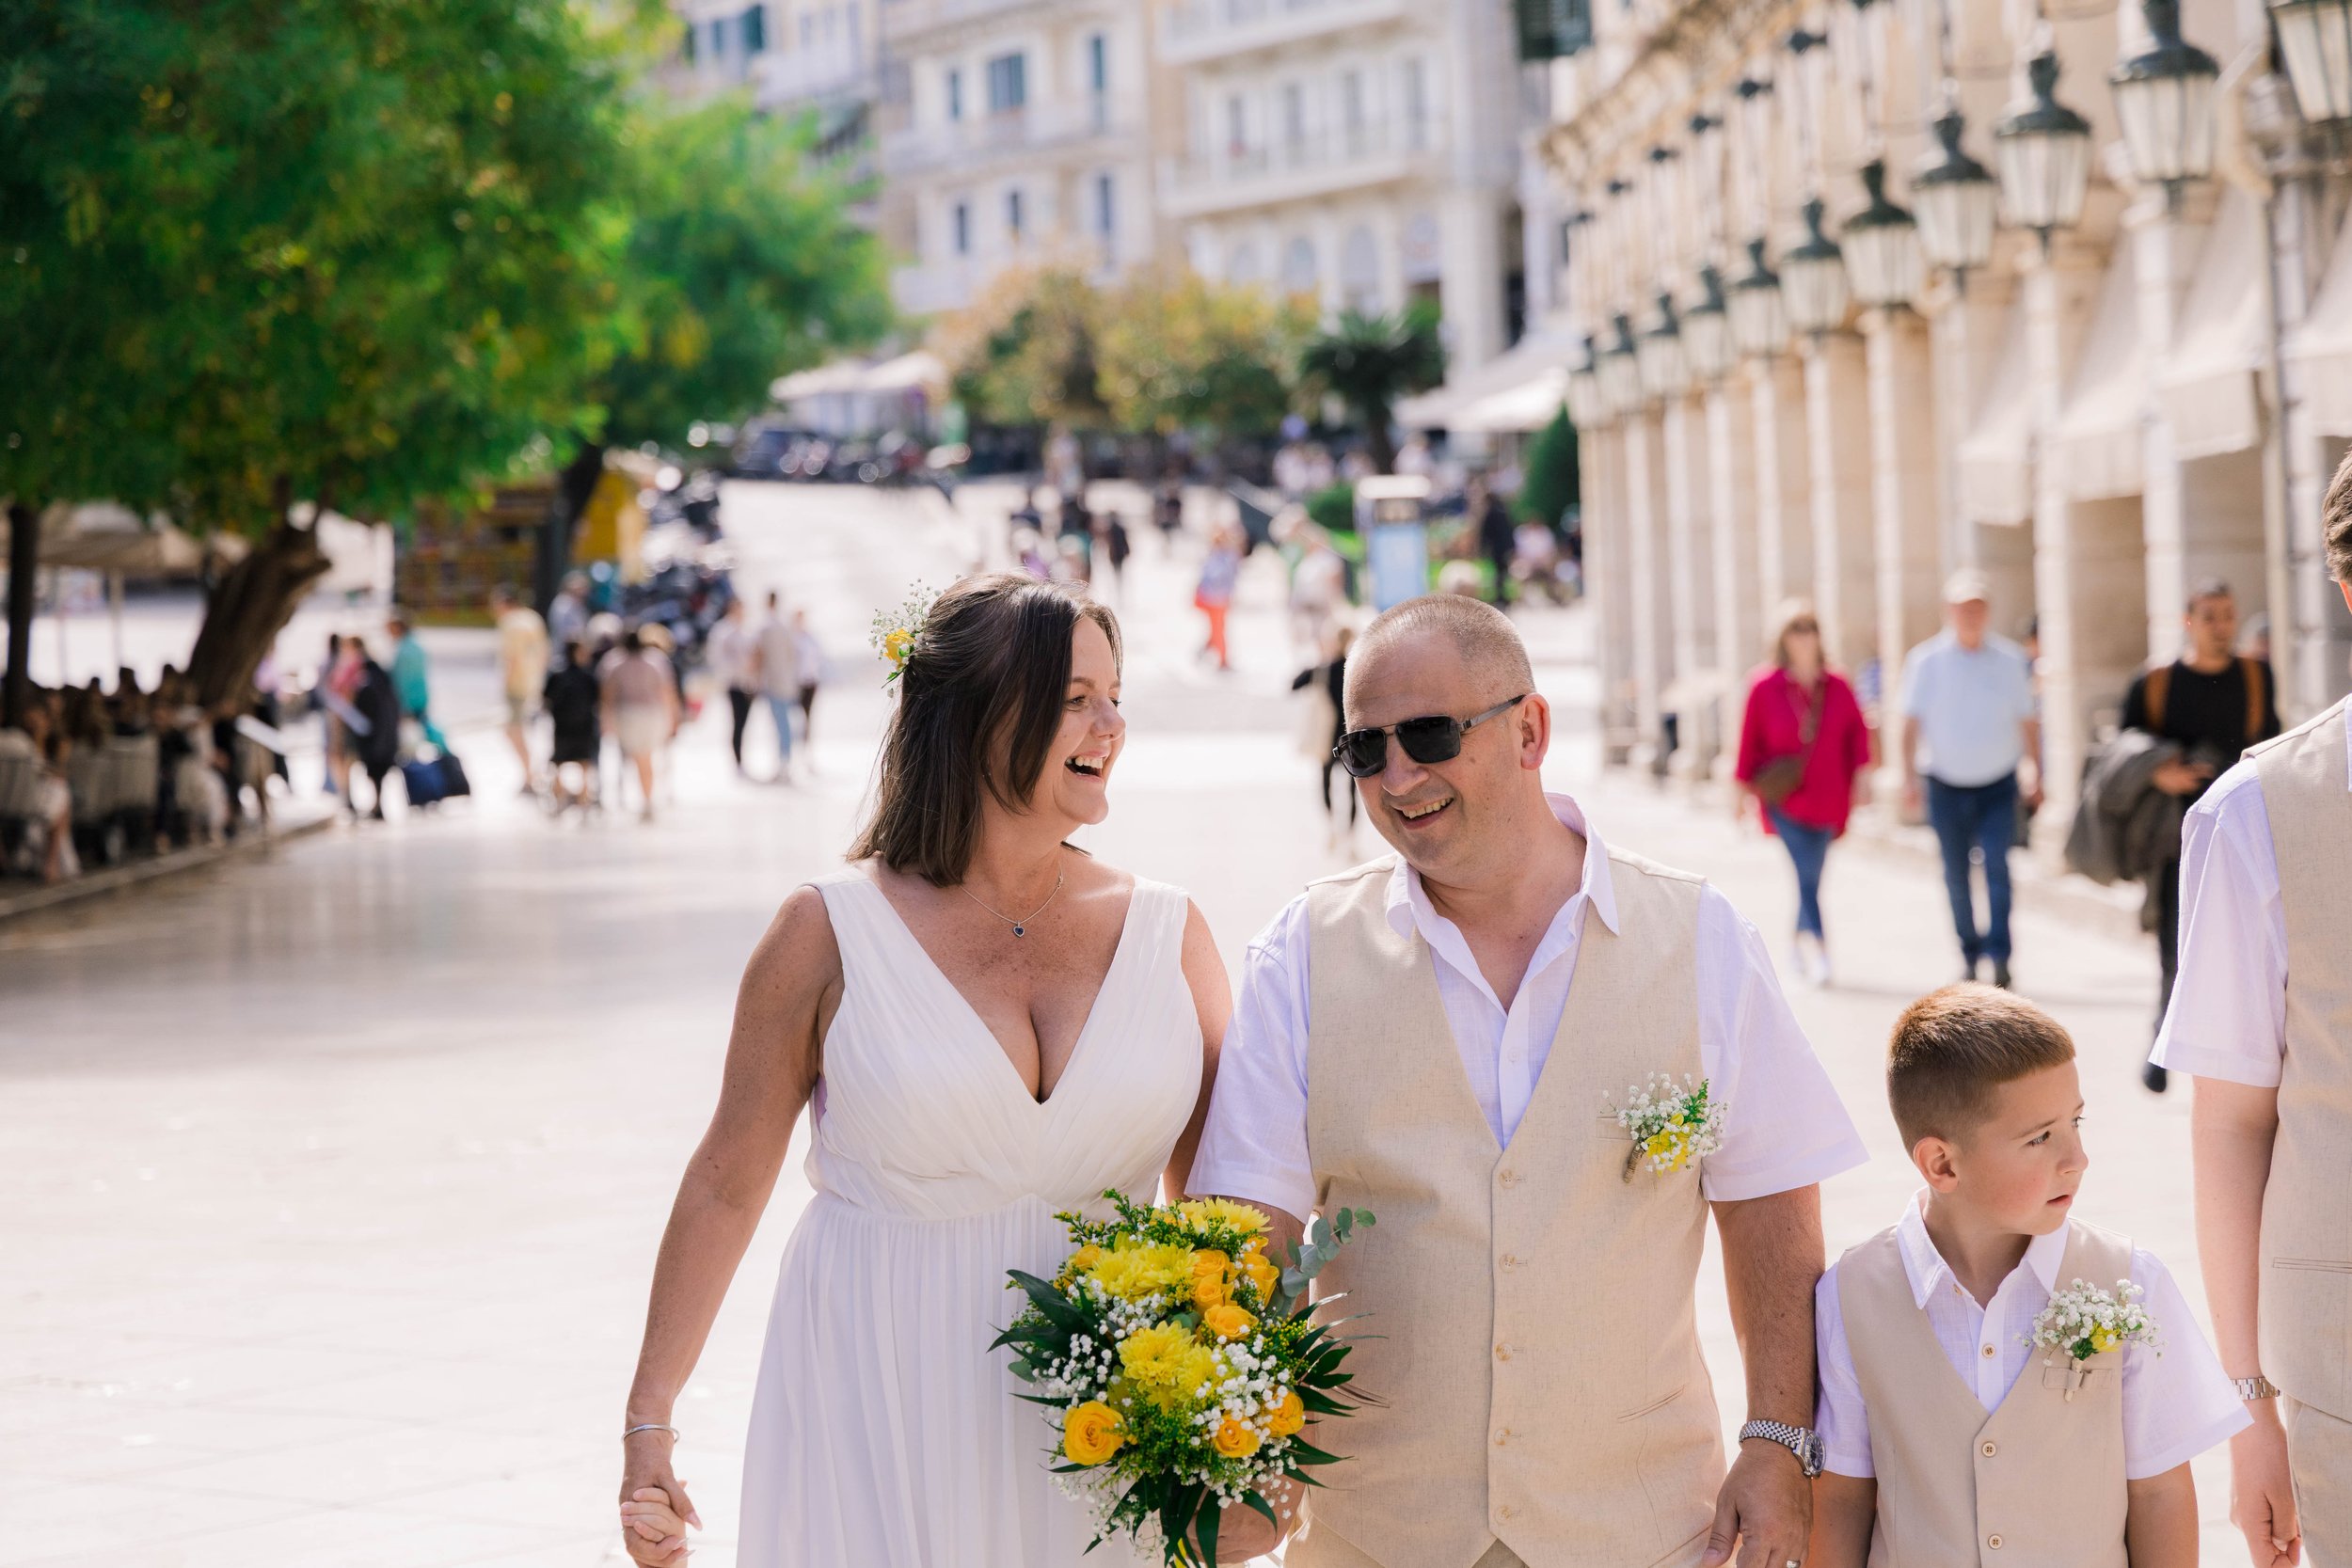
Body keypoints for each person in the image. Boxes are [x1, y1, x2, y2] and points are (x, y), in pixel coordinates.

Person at [1189, 594, 1866, 1567]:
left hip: (1641, 1530)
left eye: (1427, 733)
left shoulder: (1698, 935)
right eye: (1365, 750)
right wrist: (1235, 1434)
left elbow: (1770, 1205)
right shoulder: (1299, 952)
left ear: (1530, 729)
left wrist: (1778, 1434)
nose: (1398, 774)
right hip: (1376, 1534)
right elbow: (1251, 1226)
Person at [615, 576, 1231, 1568]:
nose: (1112, 723)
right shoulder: (825, 932)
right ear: (977, 717)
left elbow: (1215, 1201)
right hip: (879, 1395)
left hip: (1109, 1419)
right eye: (1075, 697)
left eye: (1114, 694)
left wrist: (1234, 1426)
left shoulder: (1170, 930)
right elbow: (727, 1181)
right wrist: (650, 1422)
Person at [1805, 986, 2247, 1568]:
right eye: (2039, 1138)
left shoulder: (2129, 1283)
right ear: (1942, 1163)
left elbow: (2160, 1491)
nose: (2076, 1158)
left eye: (2076, 1122)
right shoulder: (1852, 1296)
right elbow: (1841, 1500)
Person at [2151, 470, 2352, 1568]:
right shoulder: (2255, 816)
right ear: (2345, 586)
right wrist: (2248, 1409)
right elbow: (2230, 1124)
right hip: (2341, 1377)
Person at [2118, 580, 2280, 1092]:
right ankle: (2162, 1039)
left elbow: (2273, 742)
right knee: (2175, 941)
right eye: (2209, 616)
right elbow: (2124, 748)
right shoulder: (2157, 682)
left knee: (2249, 940)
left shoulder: (2257, 676)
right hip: (2176, 833)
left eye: (2228, 615)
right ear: (2189, 621)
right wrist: (2158, 773)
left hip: (2247, 829)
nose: (2221, 626)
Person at [1898, 571, 2042, 989]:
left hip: (1998, 781)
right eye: (1964, 608)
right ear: (1949, 612)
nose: (1971, 616)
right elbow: (1909, 724)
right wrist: (1908, 778)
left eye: (1978, 608)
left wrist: (2035, 768)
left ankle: (2000, 954)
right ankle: (1968, 951)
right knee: (1955, 873)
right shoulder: (1925, 661)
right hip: (1944, 782)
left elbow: (2028, 721)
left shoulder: (2011, 660)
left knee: (1998, 864)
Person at [1735, 602, 1873, 988]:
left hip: (1831, 799)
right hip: (1786, 800)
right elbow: (1748, 742)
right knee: (1806, 875)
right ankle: (1821, 951)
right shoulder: (1763, 685)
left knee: (1810, 878)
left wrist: (1863, 782)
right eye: (1795, 629)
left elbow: (1858, 737)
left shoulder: (1838, 684)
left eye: (1809, 628)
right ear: (1782, 637)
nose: (1803, 636)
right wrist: (1739, 794)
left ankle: (1796, 942)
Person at [1291, 626, 1358, 852]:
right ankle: (1349, 837)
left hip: (1328, 738)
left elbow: (1294, 684)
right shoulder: (1357, 669)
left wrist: (1319, 662)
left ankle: (1331, 828)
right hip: (1354, 738)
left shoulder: (1323, 669)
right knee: (1353, 789)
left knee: (1327, 784)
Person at [599, 628, 675, 823]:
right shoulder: (655, 660)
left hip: (629, 715)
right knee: (644, 759)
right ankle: (646, 798)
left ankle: (642, 798)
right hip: (650, 715)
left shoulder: (614, 662)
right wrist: (672, 716)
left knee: (637, 759)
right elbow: (667, 690)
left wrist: (606, 718)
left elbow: (608, 694)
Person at [491, 584, 549, 794]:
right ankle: (531, 773)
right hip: (533, 683)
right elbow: (544, 652)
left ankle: (529, 775)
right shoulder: (533, 618)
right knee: (522, 730)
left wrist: (505, 682)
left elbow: (512, 658)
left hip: (517, 685)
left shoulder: (511, 623)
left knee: (513, 731)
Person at [542, 637, 601, 814]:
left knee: (560, 762)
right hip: (582, 726)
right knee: (583, 763)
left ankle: (562, 799)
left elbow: (546, 699)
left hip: (563, 725)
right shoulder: (587, 676)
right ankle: (581, 801)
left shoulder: (557, 675)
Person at [348, 641, 402, 821]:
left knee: (375, 773)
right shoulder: (383, 680)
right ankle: (378, 805)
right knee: (379, 775)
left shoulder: (367, 683)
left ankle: (378, 806)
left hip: (374, 738)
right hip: (386, 736)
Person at [706, 597, 758, 775]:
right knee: (737, 722)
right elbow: (717, 657)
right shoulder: (723, 630)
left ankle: (742, 757)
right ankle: (737, 760)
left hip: (748, 682)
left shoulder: (747, 630)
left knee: (744, 723)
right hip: (733, 682)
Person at [754, 592, 800, 782]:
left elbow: (759, 654)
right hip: (786, 680)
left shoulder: (765, 626)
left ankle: (783, 763)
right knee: (785, 724)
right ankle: (785, 761)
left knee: (780, 724)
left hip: (773, 681)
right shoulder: (784, 626)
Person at [385, 611, 446, 753]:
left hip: (409, 700)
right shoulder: (415, 645)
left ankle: (442, 757)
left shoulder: (403, 650)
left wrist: (402, 704)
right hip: (420, 697)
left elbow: (401, 680)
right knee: (425, 730)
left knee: (417, 735)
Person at [1196, 522, 1241, 672]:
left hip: (1219, 597)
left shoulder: (1228, 555)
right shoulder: (1214, 554)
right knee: (1216, 628)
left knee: (1218, 629)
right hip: (1212, 596)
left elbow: (1228, 577)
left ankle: (1216, 654)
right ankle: (1217, 654)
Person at [1472, 477, 1517, 607]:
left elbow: (1485, 533)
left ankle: (1501, 596)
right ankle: (1503, 596)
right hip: (1504, 547)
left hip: (1497, 548)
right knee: (1503, 573)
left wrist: (1482, 547)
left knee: (1499, 573)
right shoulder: (1503, 512)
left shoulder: (1491, 513)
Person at [789, 609, 822, 750]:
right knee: (795, 719)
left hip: (810, 681)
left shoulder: (810, 637)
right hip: (796, 682)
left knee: (808, 718)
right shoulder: (791, 638)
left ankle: (807, 750)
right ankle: (793, 749)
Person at [548, 571, 592, 666]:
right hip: (563, 657)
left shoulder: (579, 605)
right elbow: (565, 632)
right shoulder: (562, 604)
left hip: (576, 656)